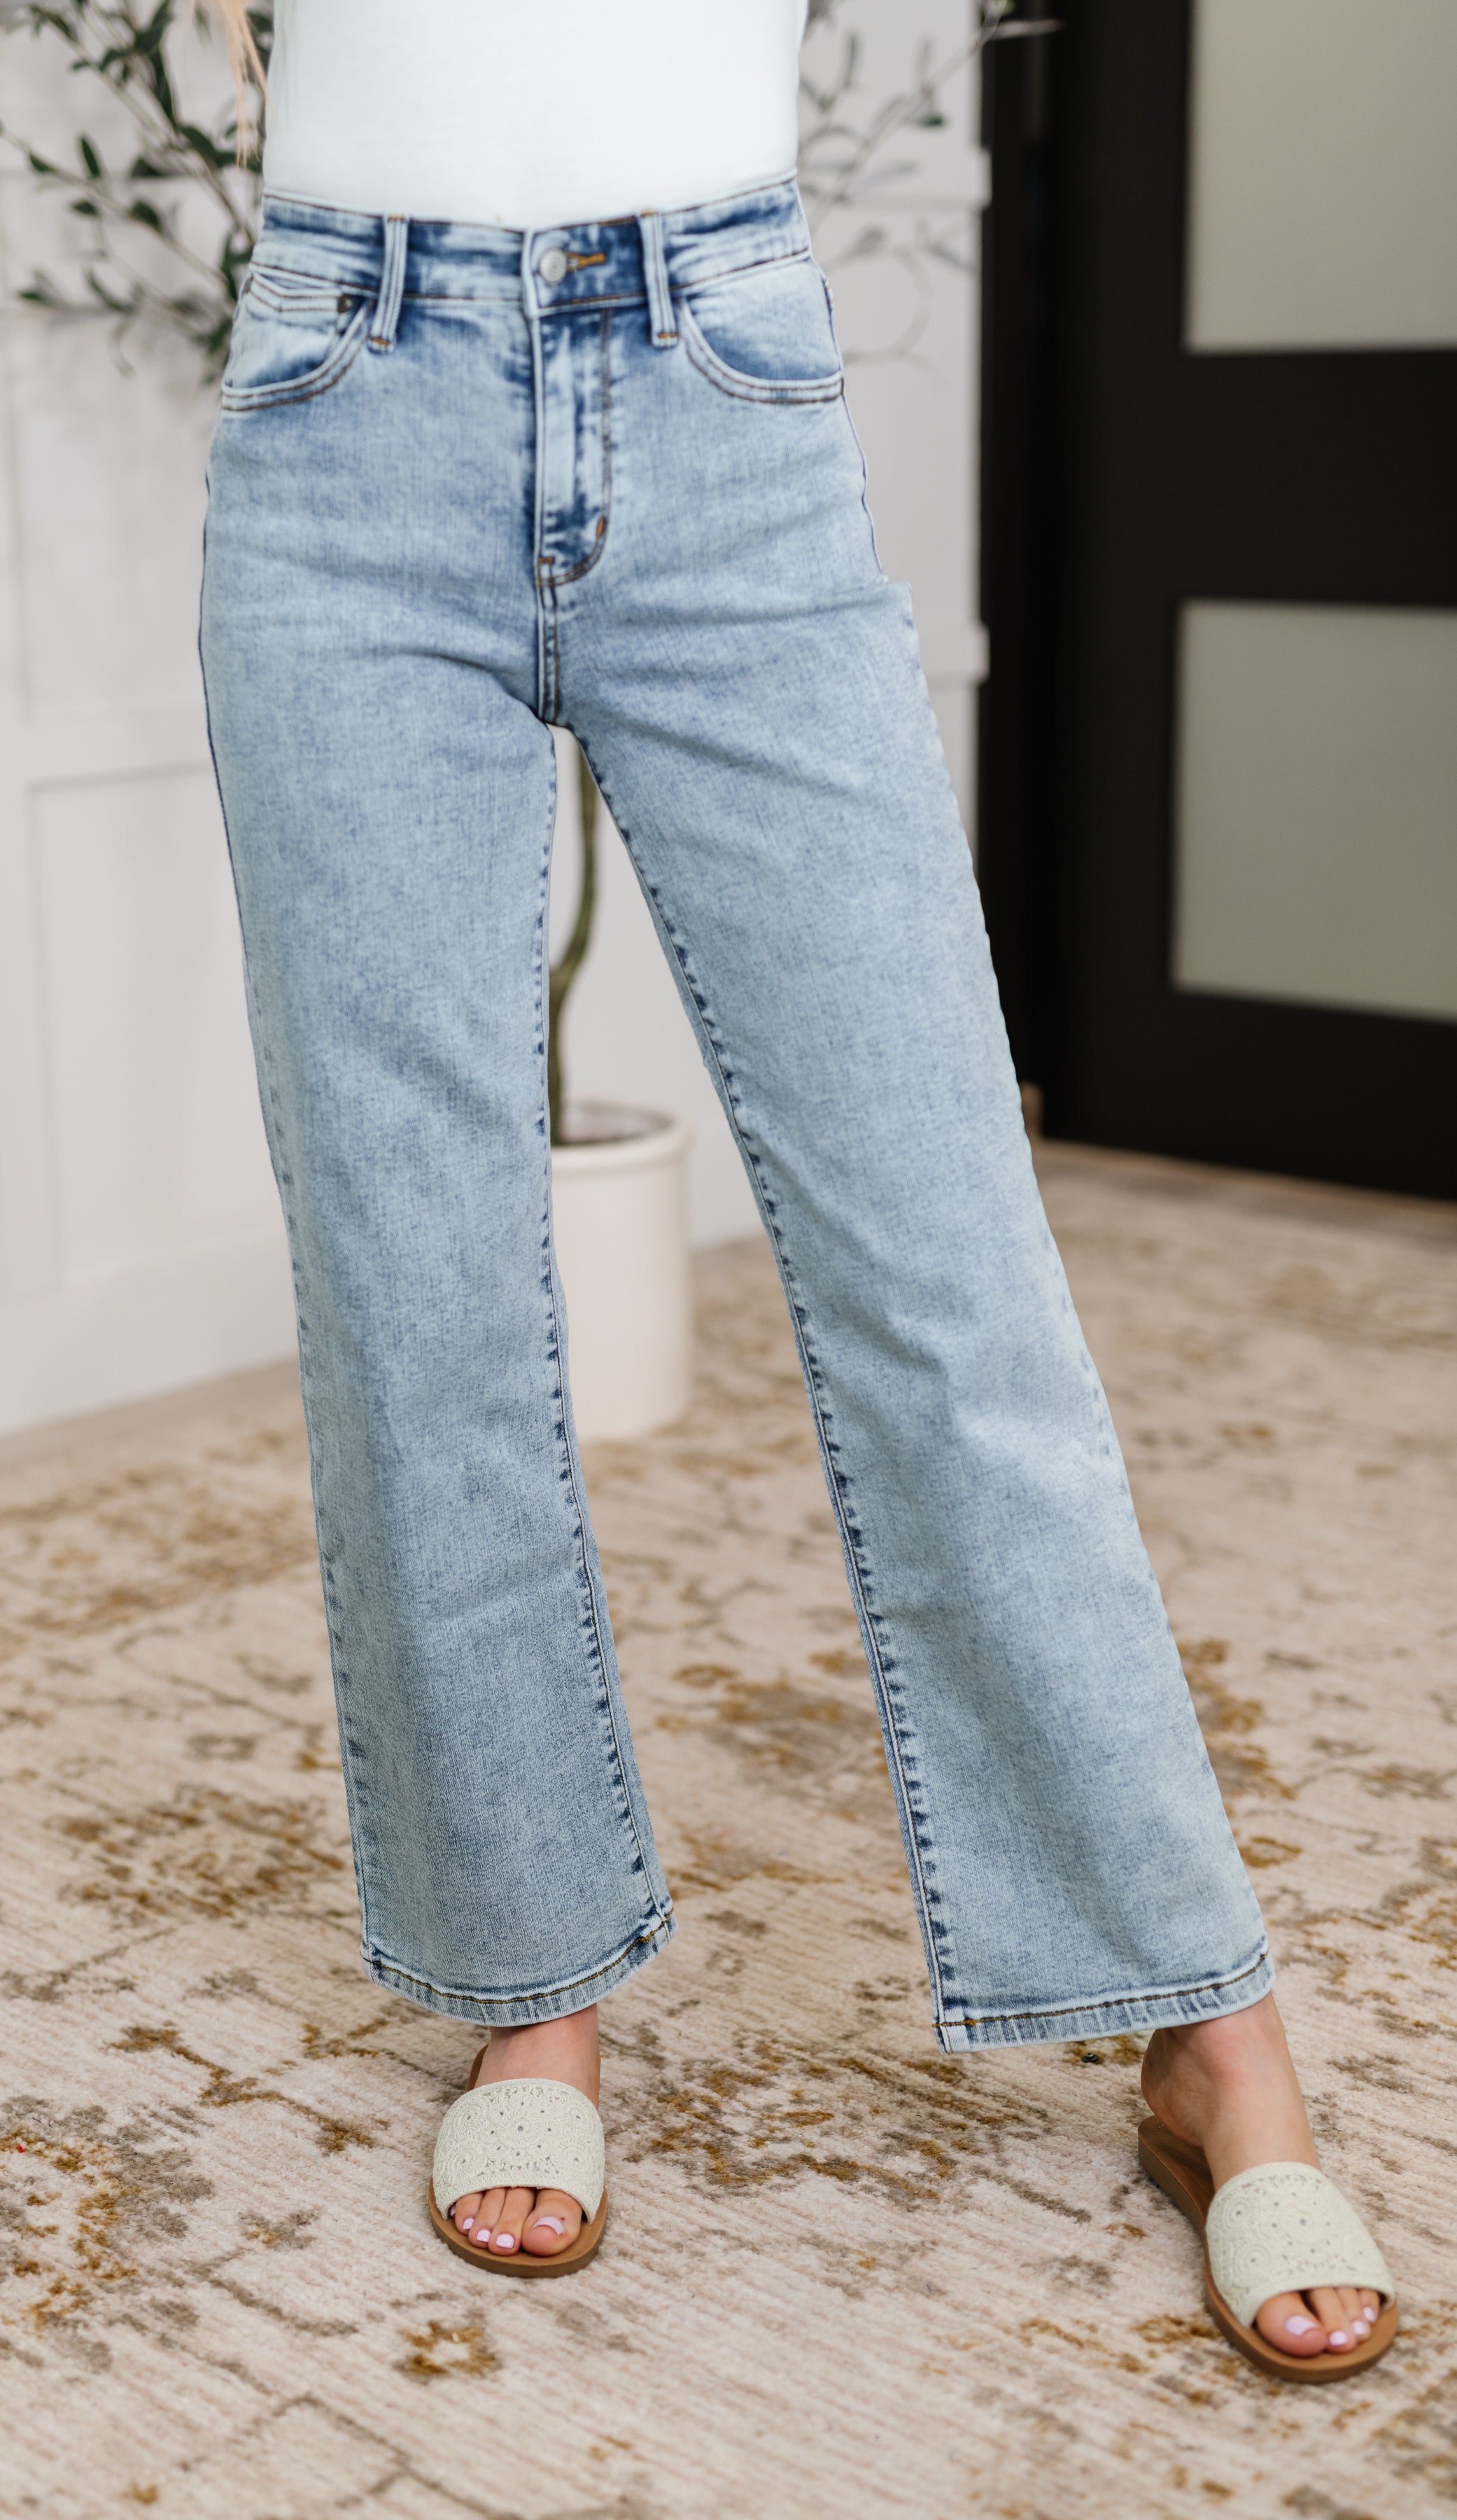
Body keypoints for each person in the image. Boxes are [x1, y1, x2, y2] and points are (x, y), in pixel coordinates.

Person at [197, 0, 1393, 2374]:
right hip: (343, 392)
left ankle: (1197, 2019)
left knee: (945, 1272)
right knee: (419, 1281)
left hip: (719, 382)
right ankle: (528, 1997)